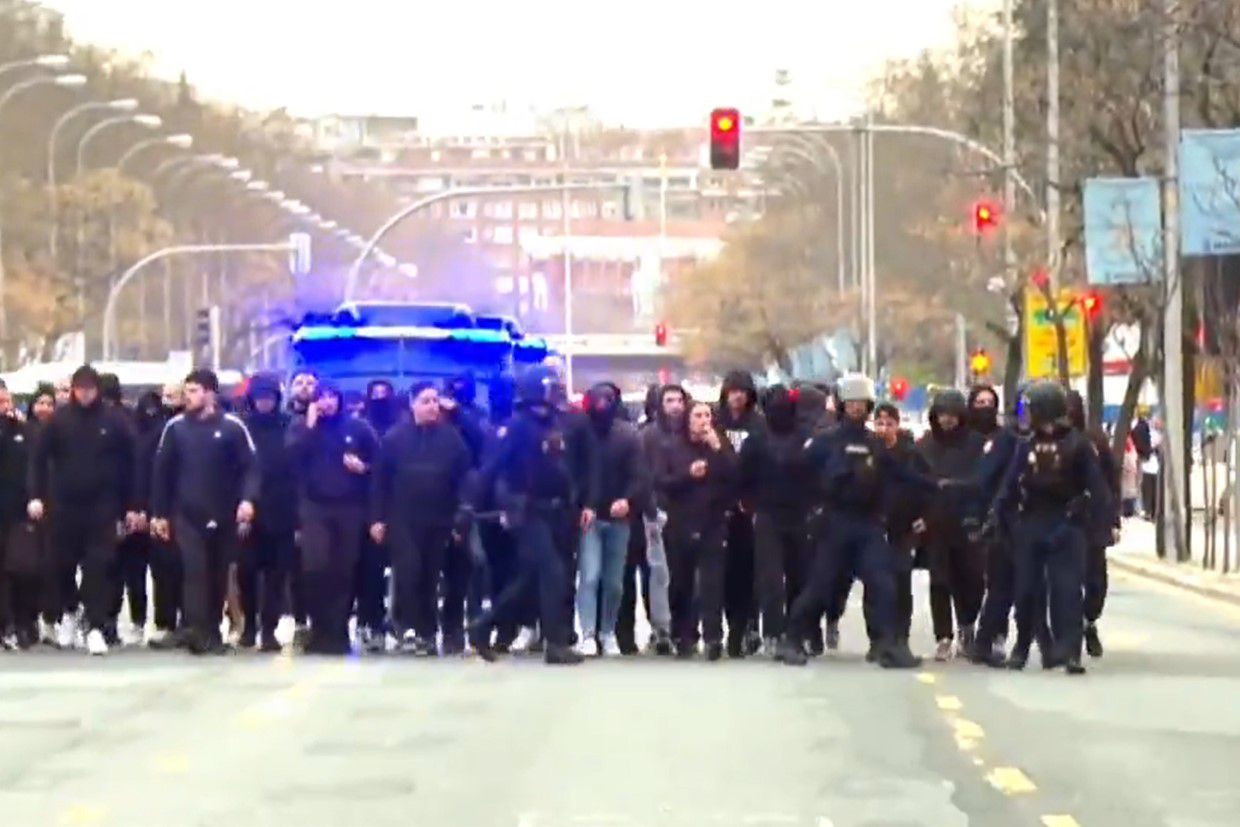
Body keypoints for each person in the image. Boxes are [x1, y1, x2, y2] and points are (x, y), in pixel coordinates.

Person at [779, 373, 934, 669]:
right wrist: (810, 506)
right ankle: (792, 639)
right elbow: (797, 471)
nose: (856, 409)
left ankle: (889, 645)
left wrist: (935, 485)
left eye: (861, 404)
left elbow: (899, 473)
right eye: (850, 404)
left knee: (884, 584)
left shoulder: (874, 443)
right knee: (820, 586)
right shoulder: (826, 442)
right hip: (835, 522)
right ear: (840, 405)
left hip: (868, 525)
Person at [468, 365, 595, 666]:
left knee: (529, 578)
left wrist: (572, 496)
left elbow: (561, 466)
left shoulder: (554, 422)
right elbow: (492, 467)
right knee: (552, 571)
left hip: (553, 511)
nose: (556, 391)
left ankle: (483, 625)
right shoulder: (517, 427)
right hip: (525, 510)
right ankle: (555, 644)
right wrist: (469, 504)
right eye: (550, 386)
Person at [990, 380, 1112, 675]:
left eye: (1030, 409)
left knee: (1067, 589)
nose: (1026, 414)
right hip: (1031, 520)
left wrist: (1100, 523)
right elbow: (1009, 484)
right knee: (1026, 589)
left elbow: (1098, 488)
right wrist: (997, 514)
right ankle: (1021, 647)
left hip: (1066, 523)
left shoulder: (1078, 444)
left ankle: (1070, 650)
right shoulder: (1025, 444)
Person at [27, 366, 141, 656]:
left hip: (102, 506)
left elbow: (132, 464)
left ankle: (94, 626)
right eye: (80, 388)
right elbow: (38, 460)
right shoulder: (59, 421)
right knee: (60, 564)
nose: (85, 393)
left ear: (97, 390)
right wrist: (36, 496)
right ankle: (69, 609)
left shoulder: (114, 421)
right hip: (64, 505)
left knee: (98, 567)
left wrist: (132, 505)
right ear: (74, 389)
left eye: (90, 388)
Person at [150, 369, 259, 655]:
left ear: (211, 393)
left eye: (194, 391)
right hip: (187, 514)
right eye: (186, 391)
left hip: (224, 513)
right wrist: (159, 513)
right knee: (195, 572)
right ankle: (197, 632)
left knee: (218, 573)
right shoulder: (175, 428)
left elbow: (250, 468)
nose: (188, 397)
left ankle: (212, 630)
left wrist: (248, 500)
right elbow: (162, 473)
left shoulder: (233, 427)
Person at [371, 382, 472, 655]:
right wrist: (377, 519)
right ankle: (407, 627)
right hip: (403, 518)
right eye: (425, 401)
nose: (432, 406)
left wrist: (461, 512)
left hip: (439, 518)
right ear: (412, 404)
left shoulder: (451, 439)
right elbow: (380, 481)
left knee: (430, 575)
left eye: (435, 401)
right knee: (409, 571)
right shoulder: (394, 439)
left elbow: (463, 478)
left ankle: (428, 632)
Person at [286, 381, 380, 655]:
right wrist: (309, 426)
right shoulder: (301, 428)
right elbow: (291, 458)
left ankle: (338, 632)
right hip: (314, 507)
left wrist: (363, 468)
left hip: (349, 508)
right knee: (316, 567)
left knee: (343, 570)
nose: (327, 402)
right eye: (321, 398)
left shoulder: (357, 428)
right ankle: (319, 628)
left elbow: (380, 465)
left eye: (331, 397)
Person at [657, 400, 737, 660]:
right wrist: (688, 474)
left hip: (713, 522)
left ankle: (713, 637)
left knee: (712, 582)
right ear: (688, 420)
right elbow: (662, 482)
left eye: (707, 415)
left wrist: (718, 448)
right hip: (681, 522)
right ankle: (683, 634)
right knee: (682, 581)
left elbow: (735, 476)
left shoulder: (719, 445)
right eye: (698, 415)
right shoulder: (672, 446)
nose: (703, 420)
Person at [575, 382, 648, 657]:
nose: (601, 406)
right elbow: (575, 471)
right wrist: (583, 504)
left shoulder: (628, 436)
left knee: (615, 581)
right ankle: (588, 634)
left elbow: (639, 475)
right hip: (589, 517)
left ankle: (607, 631)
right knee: (590, 576)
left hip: (620, 518)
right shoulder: (581, 433)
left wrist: (627, 500)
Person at [739, 385, 812, 656]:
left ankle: (796, 632)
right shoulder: (757, 440)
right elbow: (743, 476)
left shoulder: (805, 437)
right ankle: (771, 631)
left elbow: (815, 473)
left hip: (799, 514)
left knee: (799, 576)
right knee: (770, 579)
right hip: (768, 515)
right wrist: (749, 505)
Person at [915, 388, 986, 661]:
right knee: (939, 581)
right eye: (942, 414)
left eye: (952, 415)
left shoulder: (976, 444)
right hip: (936, 523)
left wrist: (957, 488)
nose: (947, 420)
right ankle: (943, 636)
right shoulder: (925, 446)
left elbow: (983, 481)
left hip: (968, 522)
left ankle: (967, 624)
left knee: (971, 579)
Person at [238, 373, 297, 652]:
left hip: (282, 508)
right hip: (248, 510)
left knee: (276, 575)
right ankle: (249, 625)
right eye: (260, 397)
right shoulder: (241, 427)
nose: (265, 403)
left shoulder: (289, 426)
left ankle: (269, 629)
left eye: (270, 397)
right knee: (246, 573)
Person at [1066, 390, 1121, 659]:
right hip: (1063, 522)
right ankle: (1070, 630)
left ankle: (1090, 620)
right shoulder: (1047, 443)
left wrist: (1114, 520)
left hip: (1094, 521)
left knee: (1096, 580)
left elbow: (1111, 483)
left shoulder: (1095, 441)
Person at [715, 370, 764, 657]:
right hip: (718, 506)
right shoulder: (715, 421)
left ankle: (747, 627)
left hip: (749, 507)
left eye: (743, 391)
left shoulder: (758, 425)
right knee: (721, 574)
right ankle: (725, 627)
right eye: (733, 390)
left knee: (749, 571)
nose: (737, 396)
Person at [355, 379, 402, 651]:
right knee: (369, 572)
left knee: (405, 572)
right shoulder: (362, 428)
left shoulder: (399, 431)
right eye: (375, 395)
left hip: (400, 509)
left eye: (385, 395)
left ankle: (399, 623)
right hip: (366, 509)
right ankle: (369, 622)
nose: (380, 399)